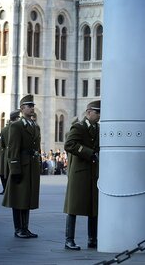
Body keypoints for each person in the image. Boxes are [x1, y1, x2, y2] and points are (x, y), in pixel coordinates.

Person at [63, 100, 100, 250]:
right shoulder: (78, 127)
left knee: (94, 207)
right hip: (79, 173)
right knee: (74, 207)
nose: (99, 115)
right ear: (88, 112)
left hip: (93, 173)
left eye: (100, 112)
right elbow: (69, 144)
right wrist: (89, 153)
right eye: (96, 112)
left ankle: (92, 238)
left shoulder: (98, 128)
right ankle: (69, 239)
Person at [2, 95, 41, 238]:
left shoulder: (35, 126)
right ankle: (18, 228)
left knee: (27, 198)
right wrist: (15, 169)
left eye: (32, 106)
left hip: (31, 166)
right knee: (18, 198)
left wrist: (39, 163)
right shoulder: (16, 126)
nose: (32, 108)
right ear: (22, 109)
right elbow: (13, 149)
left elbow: (37, 148)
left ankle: (25, 227)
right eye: (29, 106)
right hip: (22, 166)